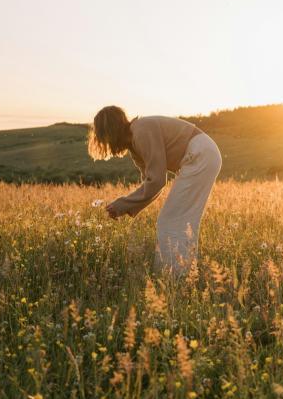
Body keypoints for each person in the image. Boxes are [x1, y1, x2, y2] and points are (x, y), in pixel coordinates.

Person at [87, 106, 222, 276]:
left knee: (171, 220)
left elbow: (157, 180)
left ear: (111, 130)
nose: (105, 142)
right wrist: (126, 206)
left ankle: (175, 275)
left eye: (104, 136)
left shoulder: (141, 130)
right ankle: (181, 274)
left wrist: (124, 203)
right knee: (180, 221)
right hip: (201, 154)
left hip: (199, 154)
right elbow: (151, 183)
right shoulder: (135, 147)